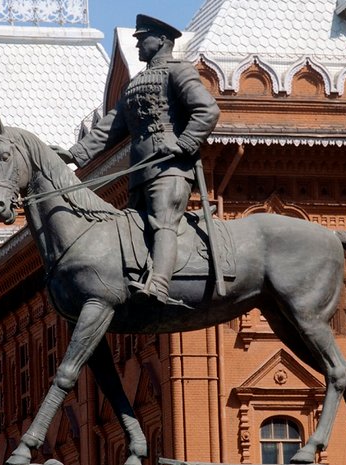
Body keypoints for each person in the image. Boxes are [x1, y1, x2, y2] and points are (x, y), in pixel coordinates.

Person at [55, 14, 220, 306]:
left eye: (143, 39)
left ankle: (158, 286)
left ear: (163, 40)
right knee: (137, 228)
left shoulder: (178, 71)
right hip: (140, 171)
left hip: (170, 168)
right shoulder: (136, 84)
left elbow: (207, 110)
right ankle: (139, 279)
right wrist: (74, 154)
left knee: (162, 223)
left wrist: (185, 143)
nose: (139, 44)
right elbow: (111, 125)